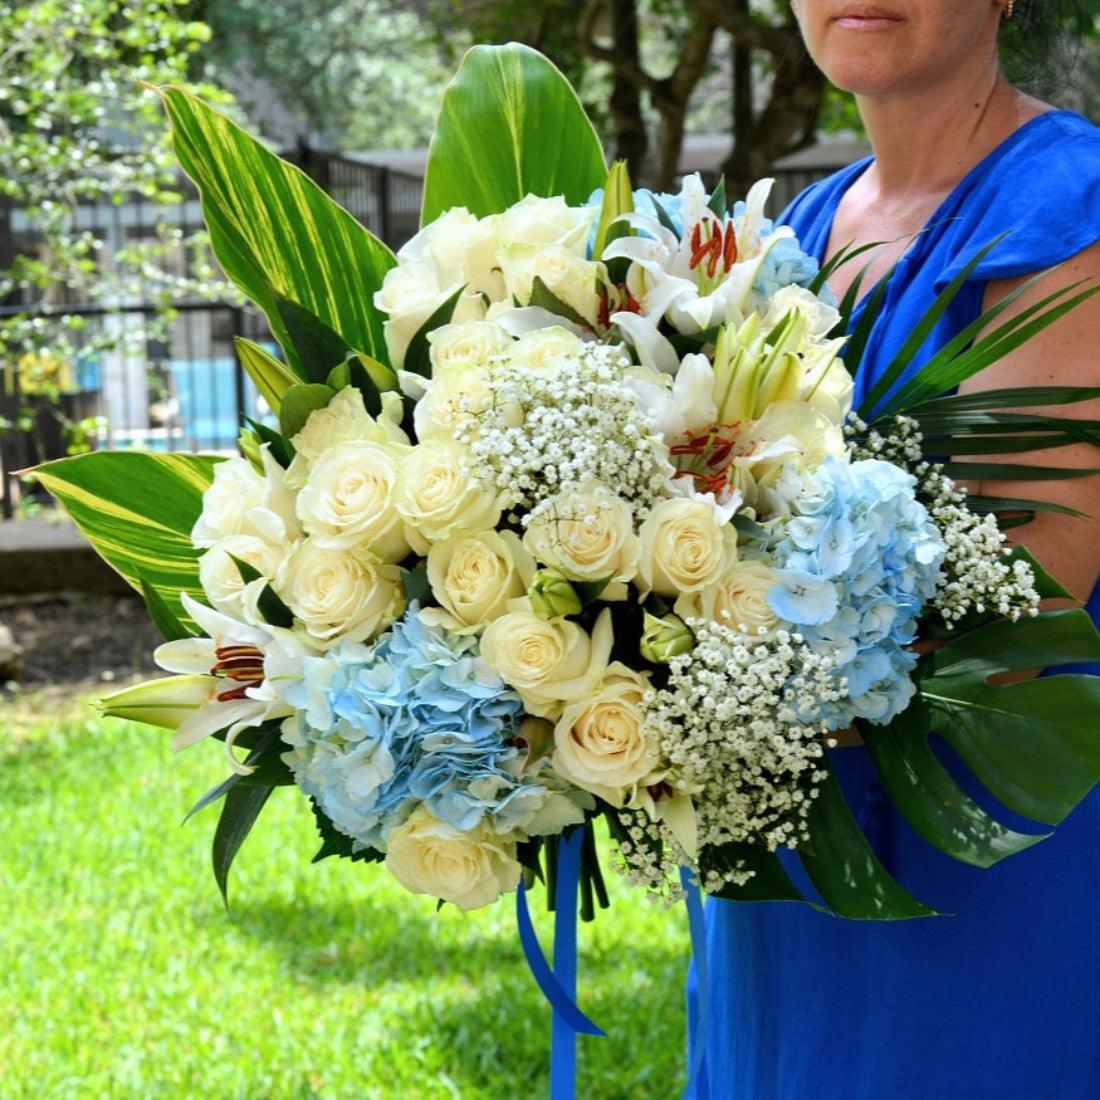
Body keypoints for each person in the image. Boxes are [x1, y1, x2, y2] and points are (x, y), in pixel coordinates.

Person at [686, 2, 1100, 1097]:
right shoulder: (786, 238)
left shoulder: (1067, 208)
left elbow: (1014, 610)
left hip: (985, 870)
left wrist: (662, 670)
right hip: (777, 869)